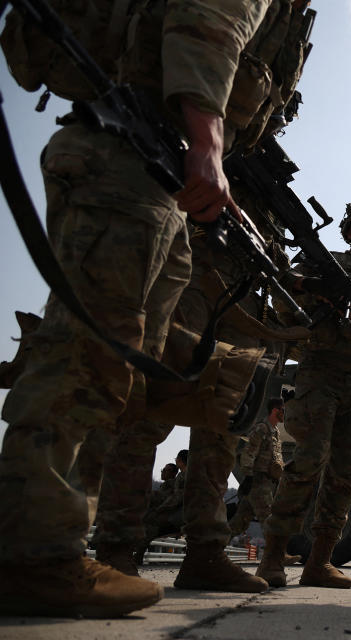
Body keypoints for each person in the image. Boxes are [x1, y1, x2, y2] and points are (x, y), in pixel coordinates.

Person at [0, 0, 274, 618]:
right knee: (86, 353)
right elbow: (209, 20)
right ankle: (33, 553)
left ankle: (55, 550)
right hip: (132, 149)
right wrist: (207, 143)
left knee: (118, 365)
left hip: (152, 163)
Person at [84, 0, 314, 595]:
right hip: (187, 240)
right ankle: (115, 548)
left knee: (223, 412)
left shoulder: (261, 127)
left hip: (232, 278)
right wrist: (209, 141)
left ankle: (206, 550)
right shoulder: (215, 105)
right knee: (149, 398)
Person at [256, 193, 351, 589]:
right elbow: (284, 299)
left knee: (345, 474)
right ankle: (272, 557)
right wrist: (316, 289)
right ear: (349, 231)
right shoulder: (324, 266)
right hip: (320, 372)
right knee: (307, 462)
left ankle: (320, 561)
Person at [228, 398, 286, 537]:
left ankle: (213, 546)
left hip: (266, 481)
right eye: (283, 410)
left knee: (239, 522)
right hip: (258, 481)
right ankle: (277, 555)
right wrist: (248, 476)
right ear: (274, 410)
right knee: (269, 518)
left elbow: (276, 456)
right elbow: (249, 452)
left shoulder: (276, 432)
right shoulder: (262, 428)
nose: (285, 414)